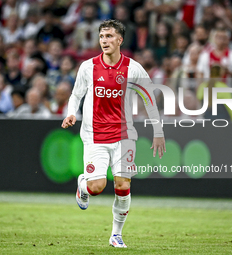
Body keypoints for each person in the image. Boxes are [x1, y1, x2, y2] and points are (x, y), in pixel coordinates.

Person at [61, 20, 166, 248]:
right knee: (96, 187)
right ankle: (83, 185)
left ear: (120, 40)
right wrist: (71, 113)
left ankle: (116, 235)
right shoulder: (88, 67)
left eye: (109, 36)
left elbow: (149, 100)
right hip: (94, 136)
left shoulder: (134, 69)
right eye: (101, 36)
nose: (104, 41)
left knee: (122, 185)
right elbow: (76, 95)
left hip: (124, 135)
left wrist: (158, 131)